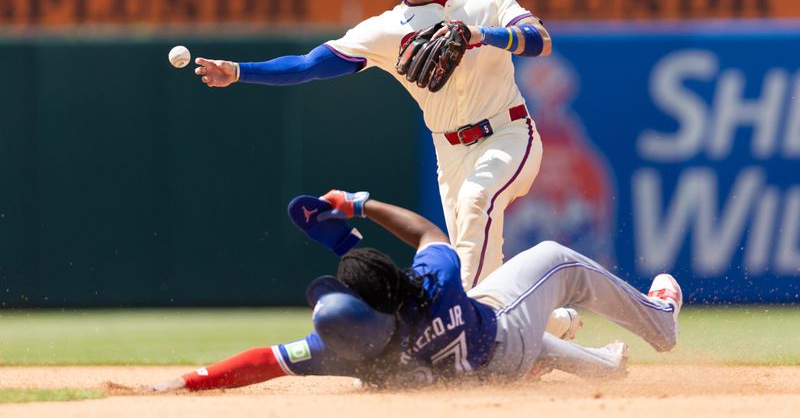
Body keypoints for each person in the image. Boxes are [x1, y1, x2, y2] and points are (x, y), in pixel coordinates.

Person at [193, 0, 552, 295]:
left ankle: (462, 331)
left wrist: (480, 34)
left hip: (509, 131)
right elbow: (308, 65)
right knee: (479, 271)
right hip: (450, 153)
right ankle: (563, 329)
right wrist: (238, 71)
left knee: (476, 202)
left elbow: (539, 40)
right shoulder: (387, 29)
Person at [150, 190, 682, 391]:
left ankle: (603, 364)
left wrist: (186, 382)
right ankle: (661, 321)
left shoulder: (340, 355)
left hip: (478, 378)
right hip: (503, 342)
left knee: (492, 329)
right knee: (554, 260)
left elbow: (262, 361)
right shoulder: (436, 286)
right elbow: (429, 233)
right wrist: (361, 204)